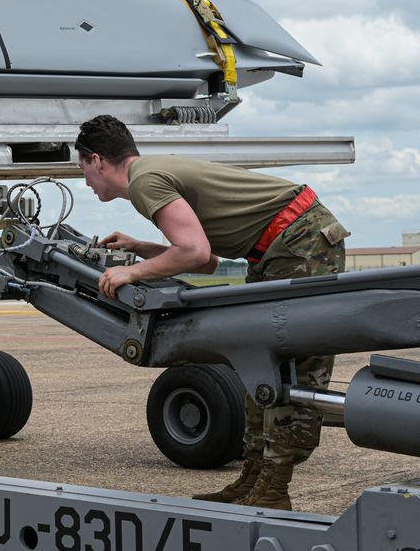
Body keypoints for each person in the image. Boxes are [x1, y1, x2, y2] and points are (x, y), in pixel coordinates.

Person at [75, 114, 349, 510]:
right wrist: (142, 248)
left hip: (299, 240)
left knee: (290, 364)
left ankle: (274, 490)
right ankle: (253, 480)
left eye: (83, 168)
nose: (85, 181)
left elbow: (196, 253)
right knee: (259, 360)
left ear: (97, 159)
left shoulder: (143, 182)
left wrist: (130, 272)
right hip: (279, 246)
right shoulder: (153, 172)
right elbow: (207, 261)